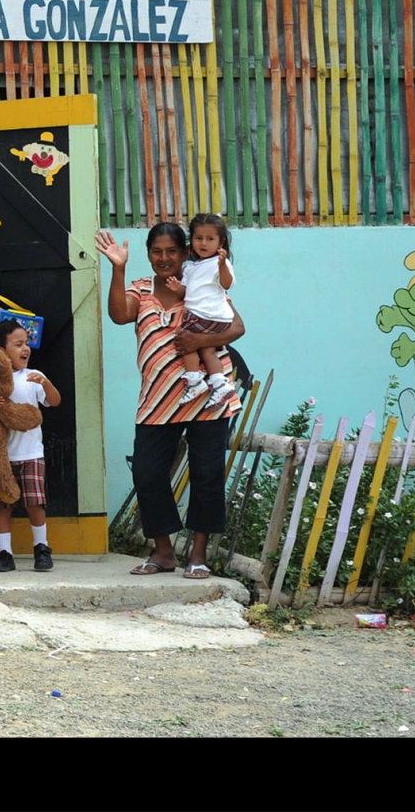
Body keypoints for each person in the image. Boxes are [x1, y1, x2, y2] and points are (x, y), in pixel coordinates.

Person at [96, 224, 245, 580]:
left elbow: (237, 327)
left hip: (207, 398)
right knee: (147, 473)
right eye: (156, 252)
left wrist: (195, 343)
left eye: (171, 251)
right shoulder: (141, 289)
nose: (164, 259)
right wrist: (118, 268)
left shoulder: (200, 282)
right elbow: (119, 314)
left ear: (184, 252)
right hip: (157, 399)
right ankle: (163, 553)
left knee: (207, 475)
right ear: (149, 254)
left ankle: (197, 554)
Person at [0, 321, 61, 573]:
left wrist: (45, 383)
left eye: (26, 344)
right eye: (18, 344)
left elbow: (55, 401)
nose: (25, 348)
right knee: (2, 507)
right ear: (0, 352)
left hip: (30, 454)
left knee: (35, 503)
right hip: (1, 458)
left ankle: (41, 547)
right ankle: (5, 553)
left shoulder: (32, 377)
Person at [164, 212, 237, 409]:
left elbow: (226, 284)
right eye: (198, 238)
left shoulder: (219, 263)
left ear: (220, 242)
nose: (203, 243)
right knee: (207, 350)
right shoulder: (191, 268)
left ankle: (195, 381)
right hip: (207, 316)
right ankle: (219, 383)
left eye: (210, 239)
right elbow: (187, 293)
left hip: (207, 315)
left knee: (185, 338)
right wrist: (176, 288)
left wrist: (222, 265)